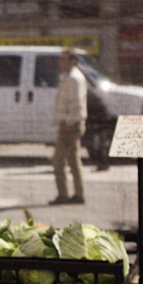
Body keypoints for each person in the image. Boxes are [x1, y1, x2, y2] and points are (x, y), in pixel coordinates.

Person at [51, 49, 87, 204]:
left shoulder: (74, 78)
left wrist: (69, 122)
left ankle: (65, 194)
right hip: (68, 124)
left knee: (59, 161)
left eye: (64, 59)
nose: (61, 62)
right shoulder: (67, 76)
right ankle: (76, 194)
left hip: (70, 126)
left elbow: (76, 103)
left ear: (72, 61)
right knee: (73, 161)